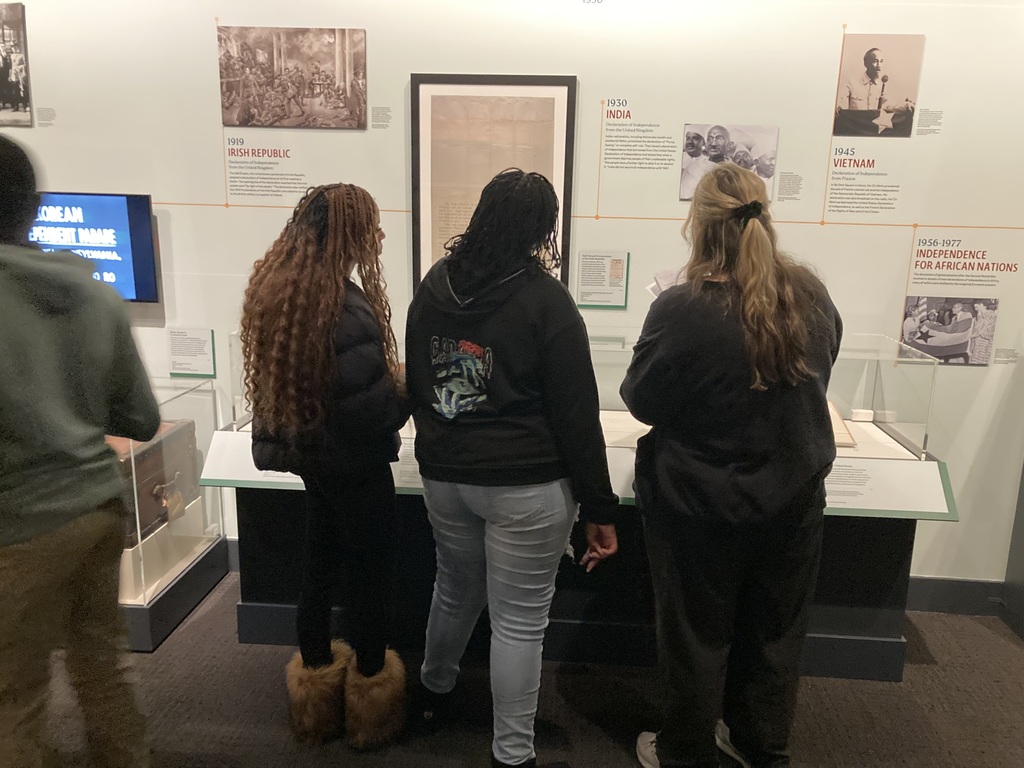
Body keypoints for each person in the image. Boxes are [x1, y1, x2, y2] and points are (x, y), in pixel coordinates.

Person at [620, 163, 842, 768]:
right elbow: (821, 375)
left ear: (700, 225)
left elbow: (641, 399)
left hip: (697, 501)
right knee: (775, 633)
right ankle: (760, 745)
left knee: (695, 634)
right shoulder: (812, 296)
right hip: (792, 500)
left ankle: (685, 750)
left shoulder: (682, 308)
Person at [406, 168, 620, 768]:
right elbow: (579, 419)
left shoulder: (433, 285)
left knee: (453, 588)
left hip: (446, 476)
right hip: (525, 485)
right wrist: (601, 510)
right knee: (520, 625)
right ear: (542, 230)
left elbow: (420, 382)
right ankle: (512, 753)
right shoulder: (546, 302)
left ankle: (433, 692)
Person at [0, 134, 161, 767]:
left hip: (18, 522)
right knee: (102, 669)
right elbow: (141, 418)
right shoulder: (93, 293)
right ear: (34, 205)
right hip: (96, 507)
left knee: (14, 691)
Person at [240, 182, 409, 748]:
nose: (379, 237)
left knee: (317, 570)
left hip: (316, 464)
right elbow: (372, 408)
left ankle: (315, 694)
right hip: (357, 466)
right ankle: (369, 701)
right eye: (371, 227)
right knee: (369, 580)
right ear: (349, 235)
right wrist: (406, 388)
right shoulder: (345, 306)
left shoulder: (279, 292)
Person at [836, 48, 915, 114]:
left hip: (873, 130)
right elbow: (842, 112)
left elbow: (890, 107)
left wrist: (906, 106)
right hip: (856, 128)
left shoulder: (883, 85)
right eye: (875, 61)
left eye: (881, 61)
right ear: (866, 64)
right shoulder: (851, 83)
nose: (879, 65)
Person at [679, 130, 711, 201]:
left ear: (703, 142)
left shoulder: (708, 163)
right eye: (688, 138)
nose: (690, 142)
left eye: (695, 138)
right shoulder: (678, 159)